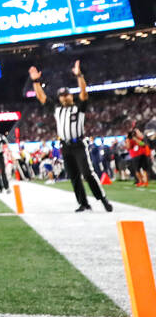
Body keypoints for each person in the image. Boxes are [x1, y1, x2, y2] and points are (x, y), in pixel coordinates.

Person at [28, 61, 112, 212]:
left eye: (66, 95)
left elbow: (84, 93)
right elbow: (41, 97)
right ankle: (83, 203)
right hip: (65, 146)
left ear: (71, 95)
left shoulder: (78, 107)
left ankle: (102, 198)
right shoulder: (57, 108)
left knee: (87, 173)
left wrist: (79, 75)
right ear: (59, 98)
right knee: (73, 176)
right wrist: (35, 81)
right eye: (61, 96)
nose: (64, 97)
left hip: (79, 144)